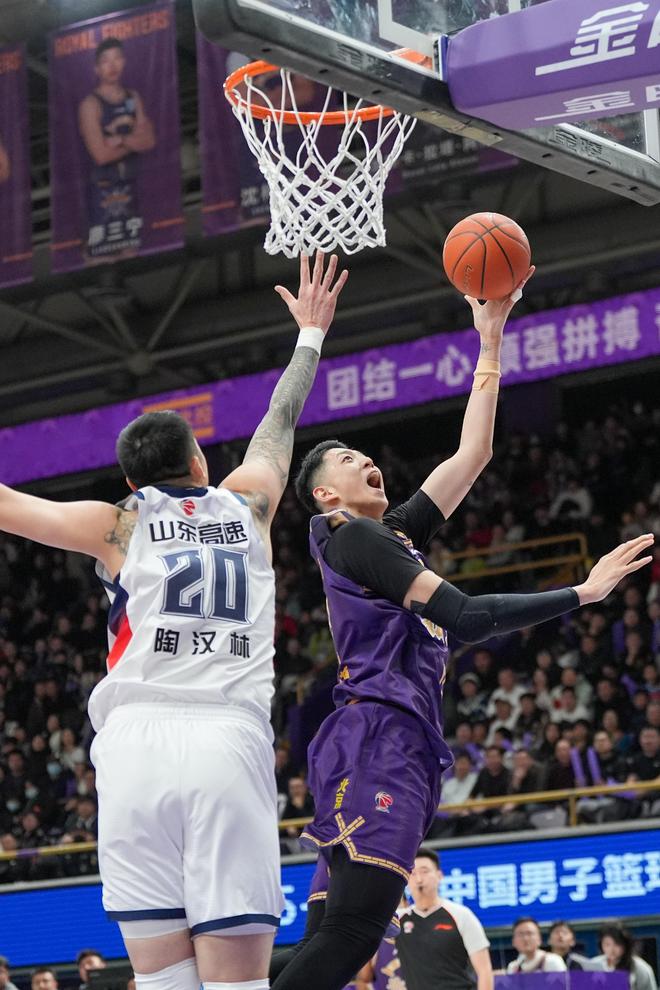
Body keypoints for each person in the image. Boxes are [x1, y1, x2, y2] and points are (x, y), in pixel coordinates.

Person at [279, 276, 653, 989]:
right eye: (347, 460)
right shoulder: (352, 535)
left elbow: (473, 454)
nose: (366, 460)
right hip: (381, 738)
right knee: (353, 935)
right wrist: (584, 591)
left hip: (377, 737)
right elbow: (468, 616)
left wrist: (490, 339)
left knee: (331, 938)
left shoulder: (387, 536)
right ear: (326, 494)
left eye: (364, 454)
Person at [0, 251, 347, 990]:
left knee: (163, 984)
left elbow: (6, 504)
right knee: (237, 984)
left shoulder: (115, 523)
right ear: (200, 461)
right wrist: (309, 335)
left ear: (132, 481)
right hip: (225, 740)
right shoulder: (248, 504)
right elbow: (280, 422)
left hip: (134, 749)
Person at [78, 38, 155, 263]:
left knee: (131, 251)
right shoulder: (90, 104)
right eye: (105, 61)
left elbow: (149, 141)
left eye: (117, 59)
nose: (112, 66)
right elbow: (101, 155)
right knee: (99, 255)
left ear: (124, 61)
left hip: (130, 183)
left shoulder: (133, 97)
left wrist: (120, 139)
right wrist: (133, 141)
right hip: (102, 189)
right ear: (96, 68)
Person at [395, 849, 492, 990]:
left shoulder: (461, 915)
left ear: (439, 875)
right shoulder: (398, 919)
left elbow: (484, 971)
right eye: (413, 873)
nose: (419, 879)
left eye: (424, 871)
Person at [591, 923, 658, 990]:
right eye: (607, 944)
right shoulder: (594, 965)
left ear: (625, 944)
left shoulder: (640, 968)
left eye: (617, 944)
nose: (611, 949)